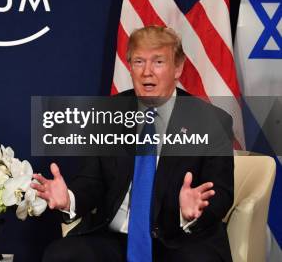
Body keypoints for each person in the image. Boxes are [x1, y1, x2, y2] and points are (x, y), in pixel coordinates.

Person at [34, 26, 234, 262]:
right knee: (62, 255)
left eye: (158, 62)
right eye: (139, 62)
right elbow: (92, 181)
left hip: (180, 240)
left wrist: (193, 212)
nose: (147, 72)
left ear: (177, 68)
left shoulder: (211, 121)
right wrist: (70, 199)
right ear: (130, 67)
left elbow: (221, 192)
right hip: (115, 239)